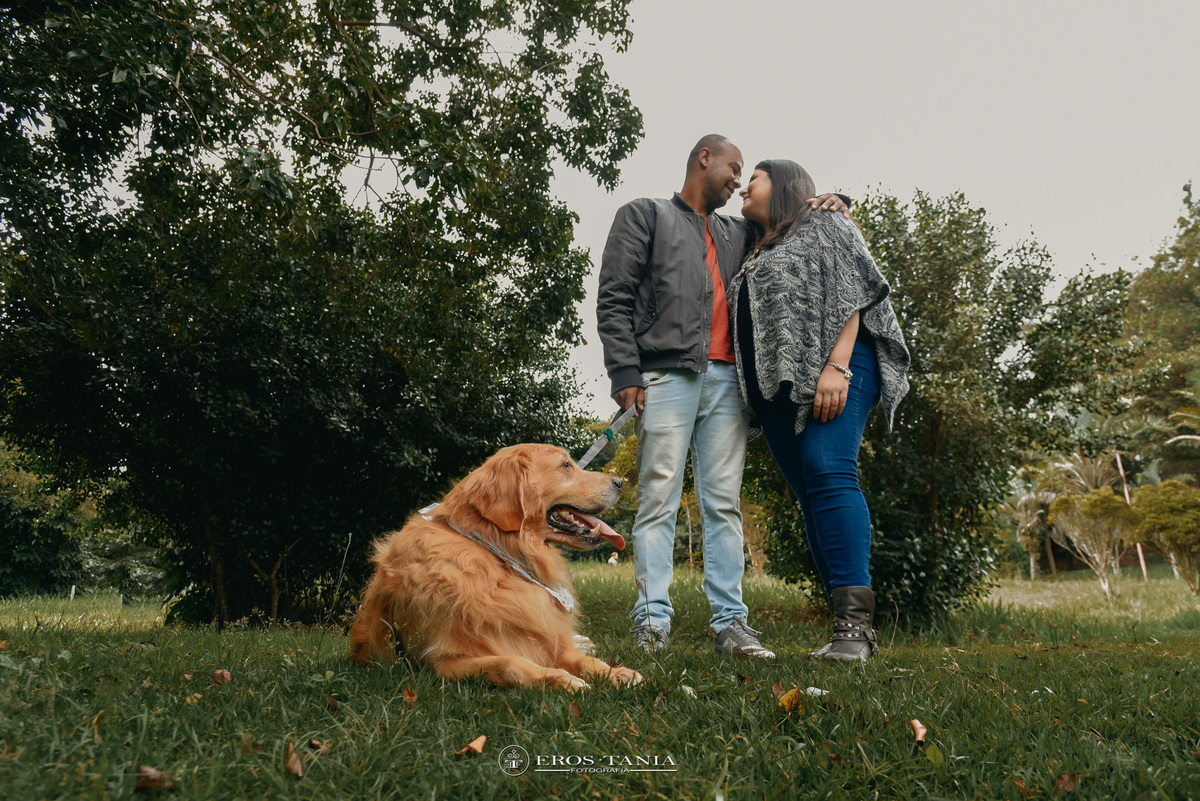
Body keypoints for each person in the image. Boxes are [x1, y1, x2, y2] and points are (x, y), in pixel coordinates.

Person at [596, 135, 847, 657]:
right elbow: (614, 297)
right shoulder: (644, 215)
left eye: (744, 175)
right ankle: (651, 622)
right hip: (665, 376)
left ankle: (732, 623)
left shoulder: (740, 231)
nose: (738, 181)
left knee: (724, 505)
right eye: (734, 168)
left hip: (730, 384)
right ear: (703, 158)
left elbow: (791, 219)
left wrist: (837, 199)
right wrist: (625, 371)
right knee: (659, 497)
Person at [728, 159, 910, 661]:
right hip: (777, 390)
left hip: (840, 365)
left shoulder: (822, 222)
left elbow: (853, 289)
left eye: (756, 178)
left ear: (784, 184)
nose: (745, 186)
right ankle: (844, 627)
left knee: (828, 470)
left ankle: (855, 629)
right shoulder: (750, 244)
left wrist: (838, 365)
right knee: (810, 493)